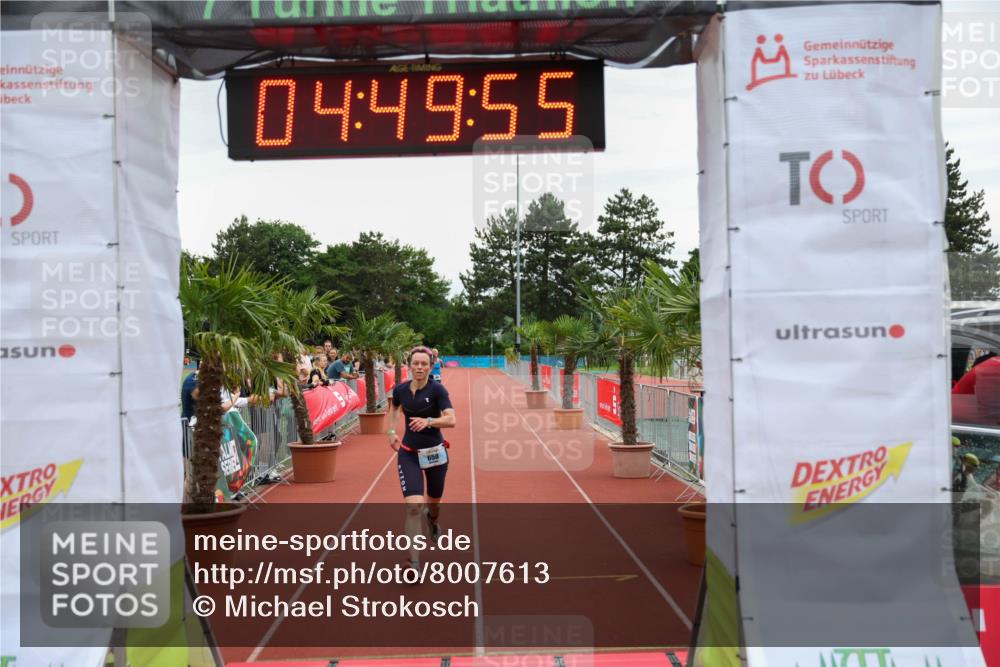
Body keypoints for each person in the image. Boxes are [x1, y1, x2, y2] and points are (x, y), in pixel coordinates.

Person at [387, 345, 456, 572]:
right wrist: (391, 432)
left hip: (435, 453)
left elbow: (451, 419)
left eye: (424, 364)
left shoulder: (438, 391)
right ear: (409, 366)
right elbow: (395, 408)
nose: (419, 367)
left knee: (433, 503)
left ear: (431, 366)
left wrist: (429, 421)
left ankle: (433, 520)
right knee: (413, 506)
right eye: (416, 363)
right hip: (409, 454)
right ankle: (413, 561)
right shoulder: (400, 390)